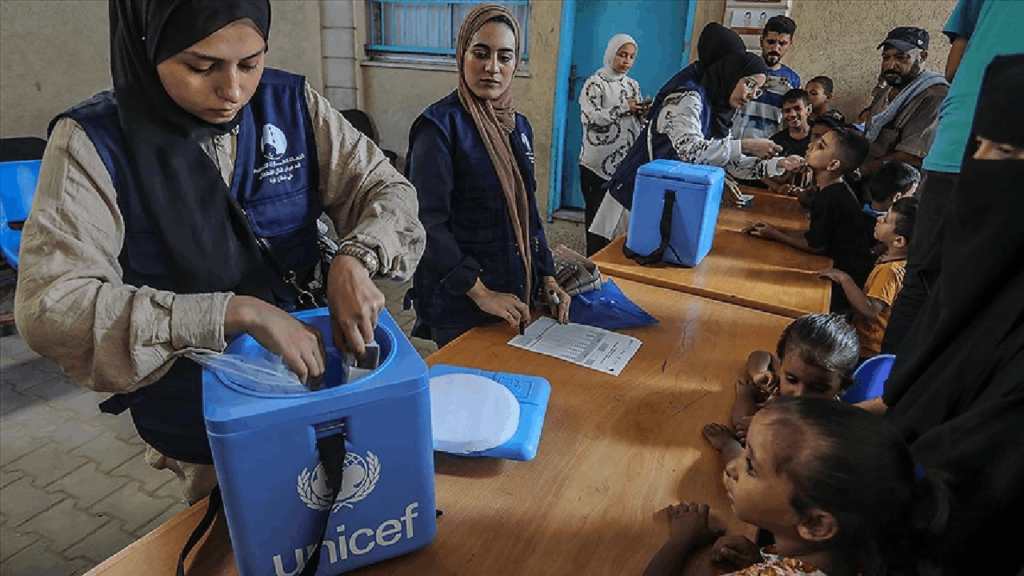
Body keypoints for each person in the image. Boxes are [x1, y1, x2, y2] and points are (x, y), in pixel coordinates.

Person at [13, 0, 425, 503]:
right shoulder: (93, 144)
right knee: (239, 534)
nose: (232, 92)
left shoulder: (291, 106)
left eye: (251, 64)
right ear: (148, 47)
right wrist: (234, 312)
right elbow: (53, 307)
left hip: (316, 395)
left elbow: (388, 191)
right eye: (201, 66)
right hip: (203, 422)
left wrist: (355, 256)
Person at [867, 54, 1024, 576]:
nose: (987, 170)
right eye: (982, 150)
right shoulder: (971, 294)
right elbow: (915, 403)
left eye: (1009, 154)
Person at [405, 4, 570, 349]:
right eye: (480, 53)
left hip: (514, 298)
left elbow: (529, 213)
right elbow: (426, 225)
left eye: (505, 57)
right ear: (462, 54)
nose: (492, 68)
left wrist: (547, 275)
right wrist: (481, 293)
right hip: (462, 306)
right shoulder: (439, 129)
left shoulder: (518, 126)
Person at [645, 397, 951, 576]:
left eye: (750, 465)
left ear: (816, 523)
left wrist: (680, 541)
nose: (732, 466)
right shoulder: (856, 550)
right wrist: (761, 560)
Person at [880, 0, 1024, 354]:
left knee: (922, 279)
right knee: (989, 303)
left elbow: (955, 67)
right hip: (1009, 144)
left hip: (962, 135)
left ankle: (882, 393)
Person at [589, 23, 804, 243]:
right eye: (748, 84)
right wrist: (746, 145)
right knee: (613, 266)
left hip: (660, 201)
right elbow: (690, 151)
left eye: (757, 90)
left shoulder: (717, 105)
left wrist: (777, 165)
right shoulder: (688, 97)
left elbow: (730, 161)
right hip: (632, 200)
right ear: (727, 69)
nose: (751, 95)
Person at [744, 126, 875, 312]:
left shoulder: (832, 197)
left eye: (821, 146)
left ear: (832, 165)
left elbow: (816, 246)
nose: (811, 145)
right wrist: (774, 230)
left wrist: (775, 234)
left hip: (845, 279)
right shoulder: (830, 188)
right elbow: (814, 233)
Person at [702, 313, 859, 464]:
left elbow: (742, 427)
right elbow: (761, 355)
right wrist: (759, 373)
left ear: (842, 387)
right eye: (791, 379)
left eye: (818, 388)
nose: (799, 394)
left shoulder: (823, 428)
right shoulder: (794, 369)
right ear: (782, 365)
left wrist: (746, 399)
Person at [817, 197, 918, 360]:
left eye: (885, 220)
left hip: (867, 348)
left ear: (899, 241)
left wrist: (844, 279)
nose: (878, 218)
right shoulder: (897, 260)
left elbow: (870, 310)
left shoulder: (889, 272)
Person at [578, 34, 645, 256]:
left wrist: (644, 112)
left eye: (632, 57)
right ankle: (594, 262)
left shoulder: (633, 85)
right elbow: (591, 119)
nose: (626, 61)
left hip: (623, 164)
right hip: (596, 164)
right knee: (597, 216)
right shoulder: (595, 84)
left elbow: (636, 122)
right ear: (610, 54)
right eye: (622, 54)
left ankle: (612, 261)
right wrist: (624, 109)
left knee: (618, 217)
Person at [856, 27, 949, 180]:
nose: (891, 65)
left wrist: (858, 172)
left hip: (897, 193)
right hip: (869, 185)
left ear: (923, 56)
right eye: (886, 57)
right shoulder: (889, 89)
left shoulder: (934, 96)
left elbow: (911, 157)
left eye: (901, 57)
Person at [730, 15, 802, 142]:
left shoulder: (792, 80)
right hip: (734, 145)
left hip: (768, 150)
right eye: (771, 42)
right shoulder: (742, 68)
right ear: (761, 40)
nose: (775, 48)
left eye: (782, 43)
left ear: (790, 44)